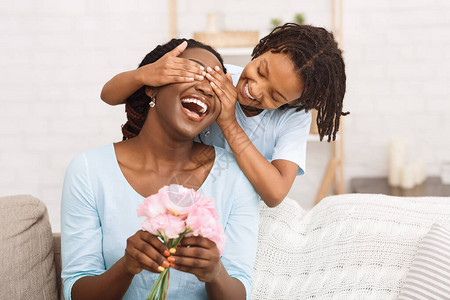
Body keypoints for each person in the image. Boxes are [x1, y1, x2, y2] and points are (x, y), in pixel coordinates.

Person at [61, 39, 260, 300]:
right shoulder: (88, 171)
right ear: (152, 87)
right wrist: (126, 267)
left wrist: (215, 274)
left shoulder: (235, 176)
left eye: (216, 84)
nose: (206, 88)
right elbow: (76, 291)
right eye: (194, 72)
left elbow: (240, 290)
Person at [100, 23, 348, 208]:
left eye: (275, 96)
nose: (256, 90)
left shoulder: (294, 116)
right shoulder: (217, 74)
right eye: (261, 71)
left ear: (293, 102)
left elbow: (274, 193)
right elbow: (109, 96)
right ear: (263, 49)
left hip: (233, 205)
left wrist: (229, 122)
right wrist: (145, 74)